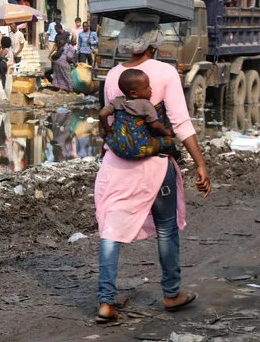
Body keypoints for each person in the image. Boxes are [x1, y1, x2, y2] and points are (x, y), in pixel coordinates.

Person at [94, 20, 210, 324]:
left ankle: (106, 301)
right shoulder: (165, 73)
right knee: (166, 227)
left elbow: (110, 121)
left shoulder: (113, 77)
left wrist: (106, 142)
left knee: (111, 230)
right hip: (154, 166)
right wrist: (200, 163)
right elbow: (181, 122)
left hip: (116, 165)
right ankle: (171, 293)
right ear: (153, 43)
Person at [99, 69, 176, 160]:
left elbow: (102, 114)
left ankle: (102, 157)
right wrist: (167, 132)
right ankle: (176, 157)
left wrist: (108, 131)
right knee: (168, 142)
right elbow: (155, 126)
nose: (150, 89)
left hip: (118, 147)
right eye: (147, 87)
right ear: (134, 94)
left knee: (105, 136)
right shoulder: (146, 105)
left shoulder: (117, 101)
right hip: (140, 149)